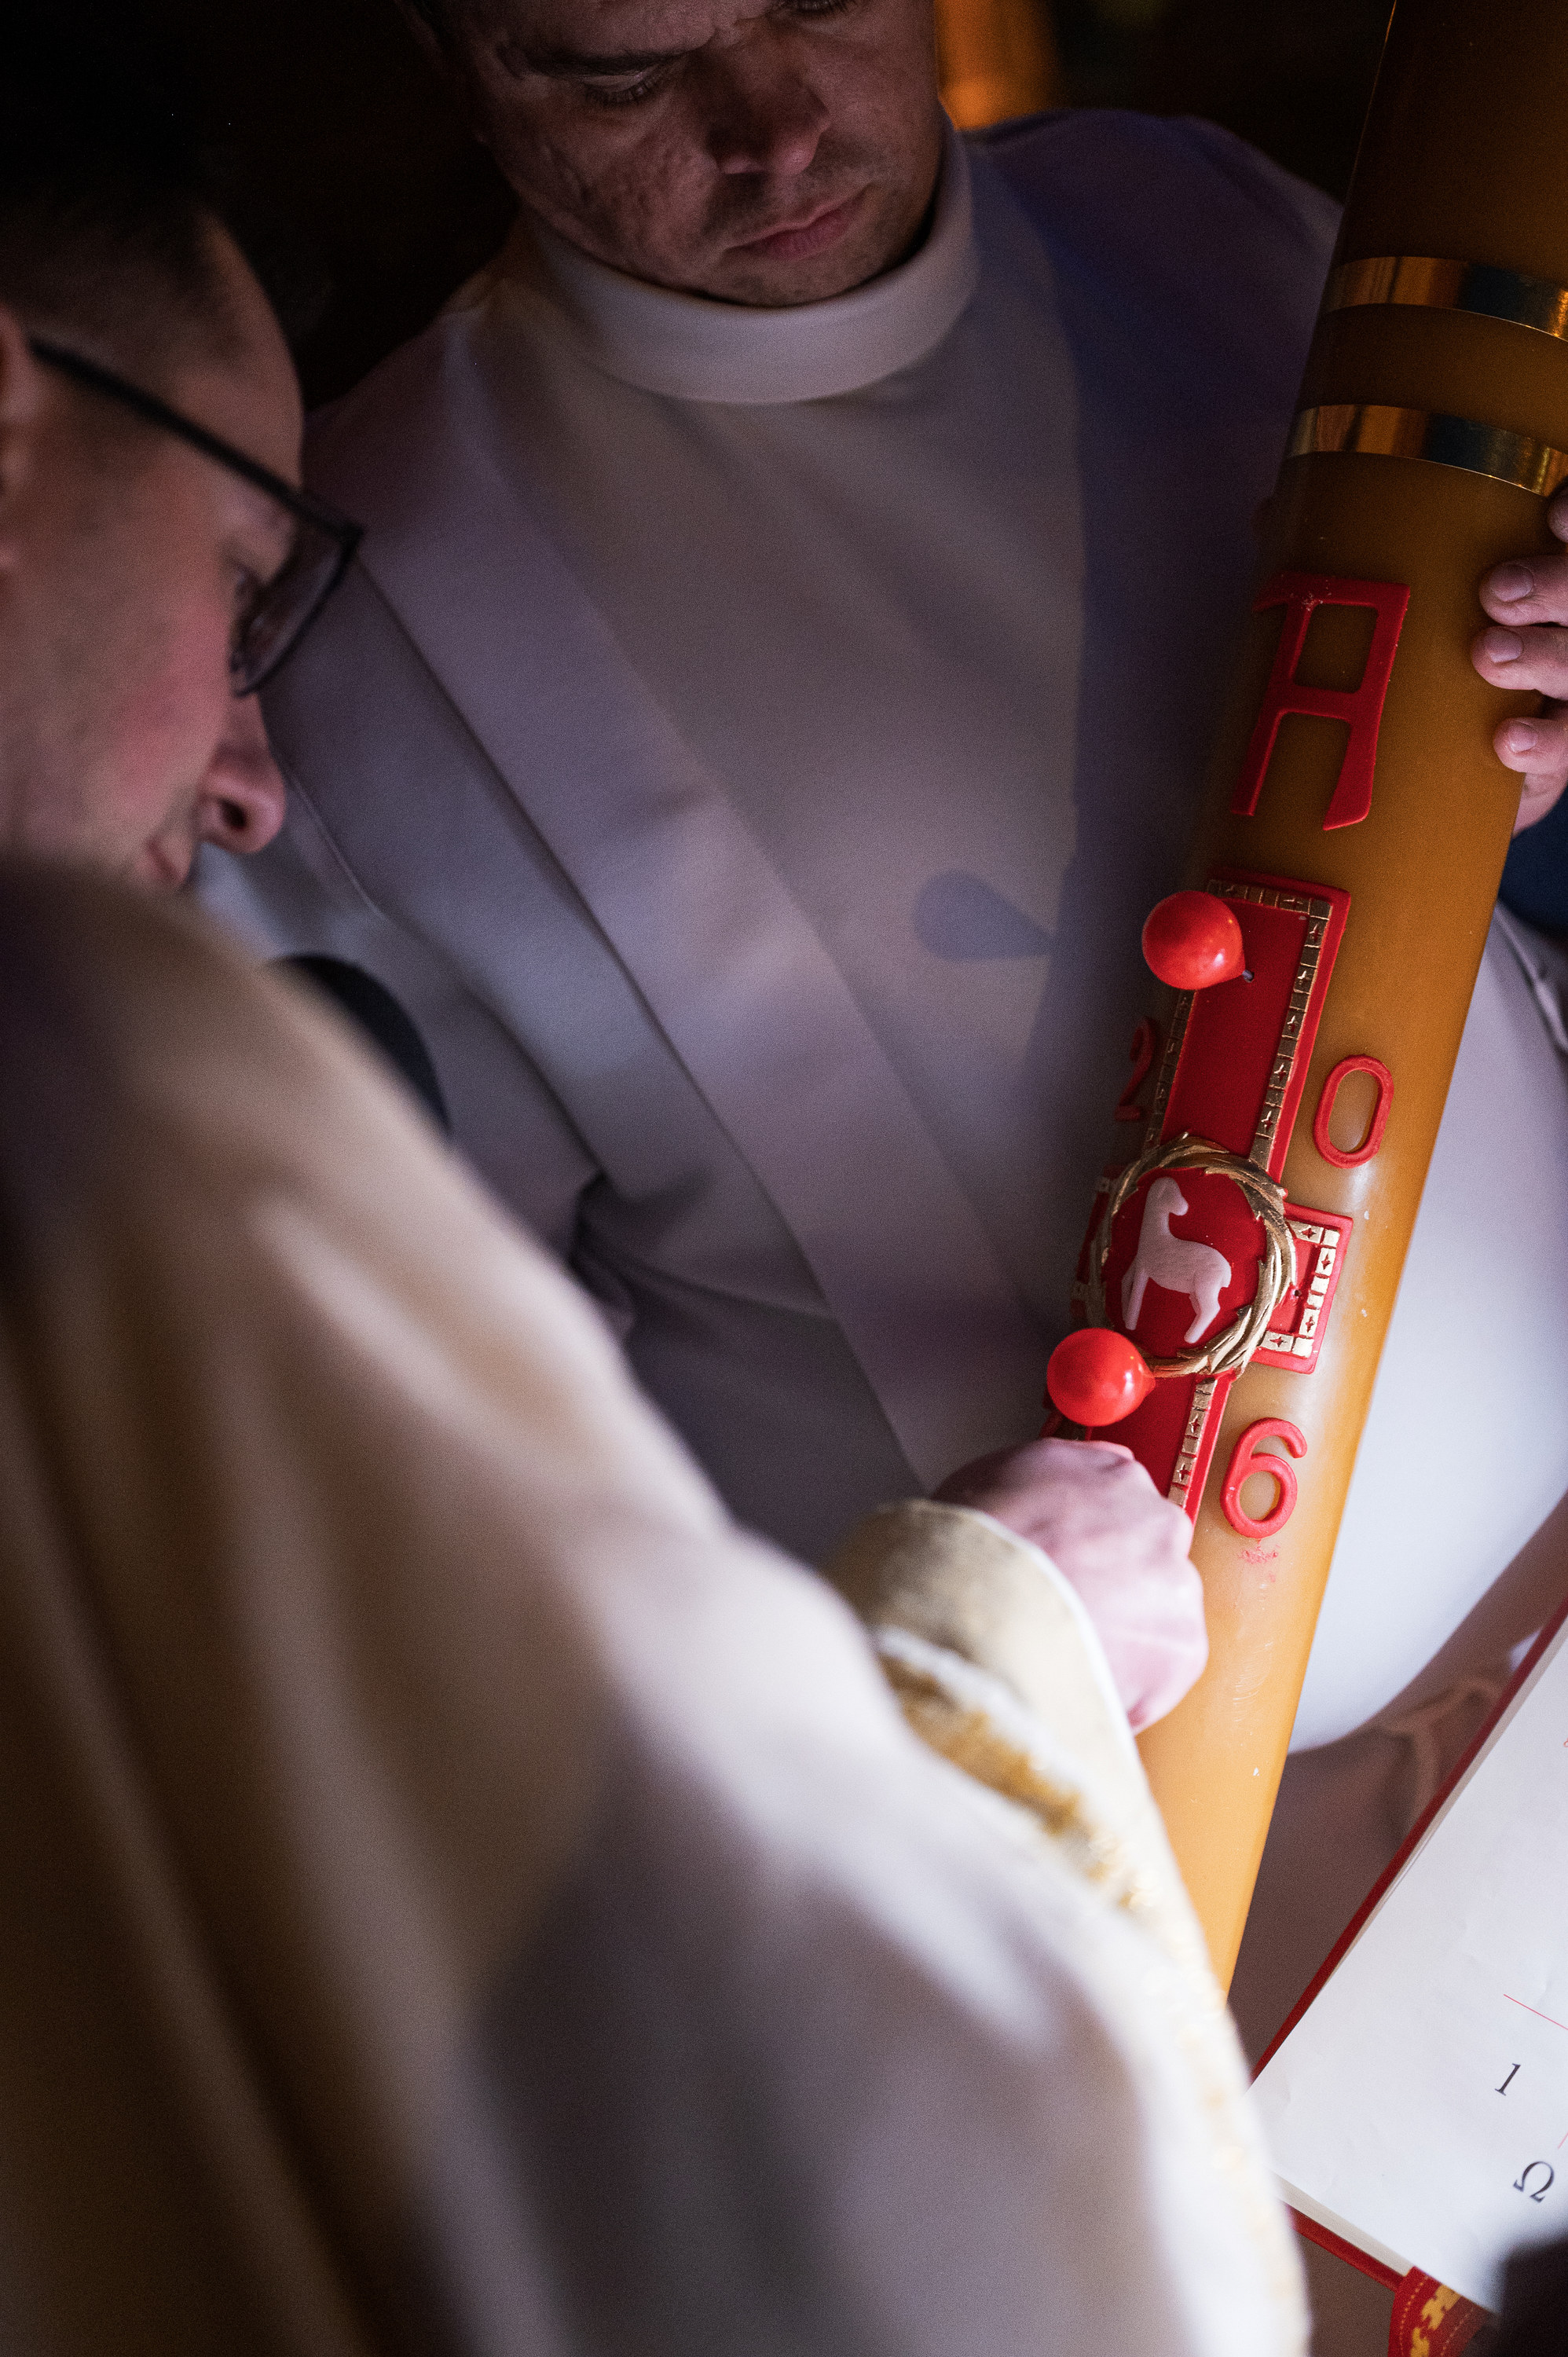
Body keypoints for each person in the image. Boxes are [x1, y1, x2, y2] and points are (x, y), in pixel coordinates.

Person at [0, 28, 1311, 2352]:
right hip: (1194, 1898)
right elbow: (492, 1926)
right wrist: (988, 1650)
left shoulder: (1204, 220)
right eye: (235, 570)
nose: (248, 782)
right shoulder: (110, 1064)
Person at [204, 0, 1568, 1792]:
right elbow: (417, 1512)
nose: (773, 129)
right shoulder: (361, 625)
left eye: (821, 2)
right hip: (1099, 1850)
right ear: (452, 56)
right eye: (624, 78)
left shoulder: (1199, 216)